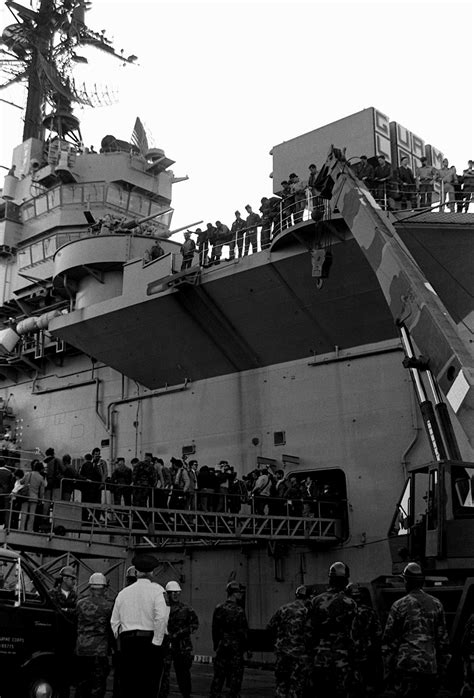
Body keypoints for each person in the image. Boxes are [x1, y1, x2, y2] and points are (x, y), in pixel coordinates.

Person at [382, 562, 451, 698]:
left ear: (406, 581)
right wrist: (442, 671)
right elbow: (443, 642)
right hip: (429, 667)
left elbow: (388, 642)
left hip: (406, 666)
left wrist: (387, 673)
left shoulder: (399, 605)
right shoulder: (437, 604)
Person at [110, 554, 169, 698]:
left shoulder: (123, 593)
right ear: (152, 572)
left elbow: (114, 622)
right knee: (149, 686)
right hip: (150, 644)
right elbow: (161, 618)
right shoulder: (158, 591)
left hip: (128, 644)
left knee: (128, 687)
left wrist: (122, 642)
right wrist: (157, 643)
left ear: (136, 572)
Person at [305, 561, 359, 698]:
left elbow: (308, 632)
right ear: (346, 580)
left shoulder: (316, 601)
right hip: (342, 660)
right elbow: (355, 635)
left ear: (330, 579)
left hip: (319, 658)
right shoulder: (350, 603)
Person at [267, 585, 311, 698]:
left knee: (281, 685)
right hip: (299, 656)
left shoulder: (283, 609)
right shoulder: (308, 611)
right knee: (296, 687)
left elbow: (270, 627)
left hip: (282, 654)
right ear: (308, 597)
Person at [75, 572, 114, 698]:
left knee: (81, 685)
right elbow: (112, 628)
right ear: (104, 588)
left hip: (82, 650)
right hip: (99, 651)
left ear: (90, 587)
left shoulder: (80, 604)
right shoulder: (108, 606)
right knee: (97, 686)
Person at [159, 580, 199, 698]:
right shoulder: (162, 609)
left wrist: (181, 633)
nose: (175, 595)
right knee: (164, 673)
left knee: (183, 673)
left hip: (182, 646)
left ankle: (186, 694)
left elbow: (194, 625)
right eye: (172, 592)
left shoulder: (186, 609)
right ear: (168, 594)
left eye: (177, 592)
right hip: (166, 645)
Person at [210, 581, 248, 698]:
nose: (241, 595)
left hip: (222, 646)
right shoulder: (239, 610)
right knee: (236, 676)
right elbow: (243, 631)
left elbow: (214, 629)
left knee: (219, 675)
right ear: (234, 593)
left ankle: (214, 695)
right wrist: (247, 648)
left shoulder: (219, 608)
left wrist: (216, 644)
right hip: (235, 648)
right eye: (239, 592)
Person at [346, 582, 383, 697]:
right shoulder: (370, 611)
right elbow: (378, 633)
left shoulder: (345, 612)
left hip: (349, 653)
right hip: (367, 652)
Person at [50, 565, 78, 698]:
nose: (74, 582)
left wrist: (64, 610)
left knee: (66, 678)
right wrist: (67, 612)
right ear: (65, 579)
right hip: (55, 639)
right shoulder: (52, 594)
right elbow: (54, 613)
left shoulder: (75, 597)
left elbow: (77, 614)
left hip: (70, 640)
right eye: (72, 579)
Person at [20, 460, 45, 531]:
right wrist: (40, 499)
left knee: (24, 514)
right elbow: (42, 491)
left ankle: (22, 529)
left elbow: (21, 482)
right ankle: (29, 529)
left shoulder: (28, 474)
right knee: (32, 515)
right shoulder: (41, 478)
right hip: (34, 498)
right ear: (40, 469)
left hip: (25, 496)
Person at [0, 458, 14, 527]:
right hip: (6, 493)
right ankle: (6, 525)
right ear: (4, 464)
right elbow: (11, 484)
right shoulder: (9, 472)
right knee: (6, 510)